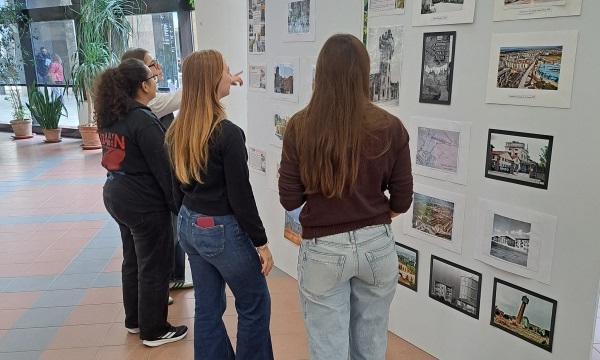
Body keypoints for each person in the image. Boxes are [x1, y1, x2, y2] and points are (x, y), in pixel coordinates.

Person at [278, 34, 414, 360]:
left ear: (320, 73)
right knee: (371, 344)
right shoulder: (390, 126)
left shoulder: (299, 126)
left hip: (323, 248)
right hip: (377, 247)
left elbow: (289, 199)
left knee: (329, 349)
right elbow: (402, 200)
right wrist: (369, 216)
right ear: (364, 73)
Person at [165, 50, 274, 360]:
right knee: (254, 303)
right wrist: (261, 243)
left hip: (188, 225)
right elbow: (241, 197)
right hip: (219, 230)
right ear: (214, 80)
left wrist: (190, 217)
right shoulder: (229, 135)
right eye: (227, 72)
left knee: (208, 307)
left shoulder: (176, 132)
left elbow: (175, 192)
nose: (232, 76)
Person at [120, 48, 245, 294]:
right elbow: (241, 195)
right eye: (151, 67)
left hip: (172, 208)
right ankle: (153, 321)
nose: (157, 70)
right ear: (142, 82)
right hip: (171, 205)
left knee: (205, 299)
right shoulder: (149, 112)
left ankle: (146, 312)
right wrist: (260, 241)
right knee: (254, 297)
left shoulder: (157, 120)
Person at [94, 58, 187, 347]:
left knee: (133, 260)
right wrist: (179, 207)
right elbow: (164, 170)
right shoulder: (143, 121)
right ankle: (154, 329)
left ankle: (134, 320)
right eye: (153, 78)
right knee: (155, 265)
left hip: (116, 195)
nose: (156, 81)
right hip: (143, 204)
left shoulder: (112, 115)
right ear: (143, 86)